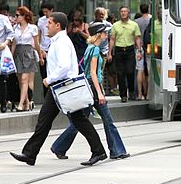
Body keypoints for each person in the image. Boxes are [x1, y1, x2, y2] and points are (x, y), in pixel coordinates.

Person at [10, 12, 107, 167]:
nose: (46, 25)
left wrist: (49, 79)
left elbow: (64, 66)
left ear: (58, 25)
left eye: (49, 23)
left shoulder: (61, 42)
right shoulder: (58, 41)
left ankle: (98, 151)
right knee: (47, 121)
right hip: (59, 88)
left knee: (75, 120)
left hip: (63, 87)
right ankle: (30, 154)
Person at [51, 22, 129, 160]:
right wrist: (99, 92)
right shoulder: (95, 50)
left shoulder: (90, 48)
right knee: (107, 120)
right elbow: (93, 72)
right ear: (99, 34)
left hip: (87, 87)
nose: (107, 34)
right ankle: (117, 150)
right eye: (105, 32)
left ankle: (59, 147)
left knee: (80, 121)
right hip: (93, 87)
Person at [110, 6, 142, 102]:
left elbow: (137, 38)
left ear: (128, 13)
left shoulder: (134, 25)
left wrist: (139, 51)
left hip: (129, 50)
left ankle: (131, 92)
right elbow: (112, 39)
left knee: (130, 72)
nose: (123, 13)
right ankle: (123, 95)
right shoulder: (115, 25)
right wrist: (109, 53)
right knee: (120, 73)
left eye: (125, 11)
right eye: (121, 11)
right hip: (119, 50)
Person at [11, 6, 40, 111]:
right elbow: (14, 43)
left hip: (28, 53)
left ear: (24, 16)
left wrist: (40, 56)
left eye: (18, 15)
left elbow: (36, 44)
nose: (16, 17)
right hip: (18, 53)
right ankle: (27, 103)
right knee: (20, 80)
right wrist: (11, 57)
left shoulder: (32, 28)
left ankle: (21, 103)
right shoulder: (15, 28)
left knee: (24, 79)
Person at [135, 4, 151, 101]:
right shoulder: (151, 20)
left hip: (139, 47)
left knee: (140, 70)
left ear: (140, 11)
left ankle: (140, 94)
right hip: (150, 47)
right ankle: (148, 94)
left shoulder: (137, 22)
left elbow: (135, 36)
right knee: (149, 71)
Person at [36, 2, 53, 91]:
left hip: (52, 49)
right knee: (44, 76)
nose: (45, 14)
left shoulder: (57, 19)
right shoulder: (41, 21)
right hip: (44, 49)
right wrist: (40, 52)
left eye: (47, 12)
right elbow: (38, 36)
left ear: (51, 10)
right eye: (44, 12)